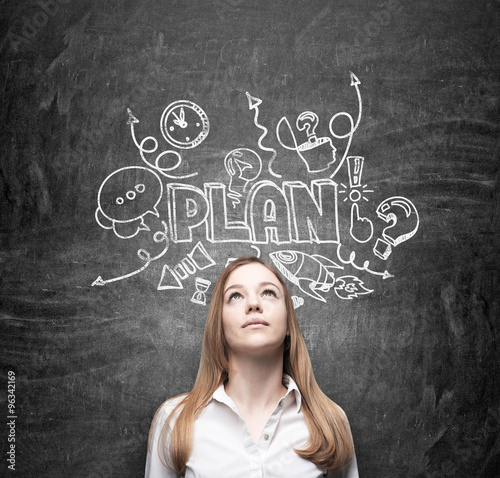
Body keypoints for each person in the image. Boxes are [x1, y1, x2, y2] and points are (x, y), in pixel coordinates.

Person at [145, 255, 359, 477]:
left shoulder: (330, 422)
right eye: (235, 296)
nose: (254, 304)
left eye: (268, 293)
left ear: (288, 323)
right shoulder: (175, 421)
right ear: (220, 326)